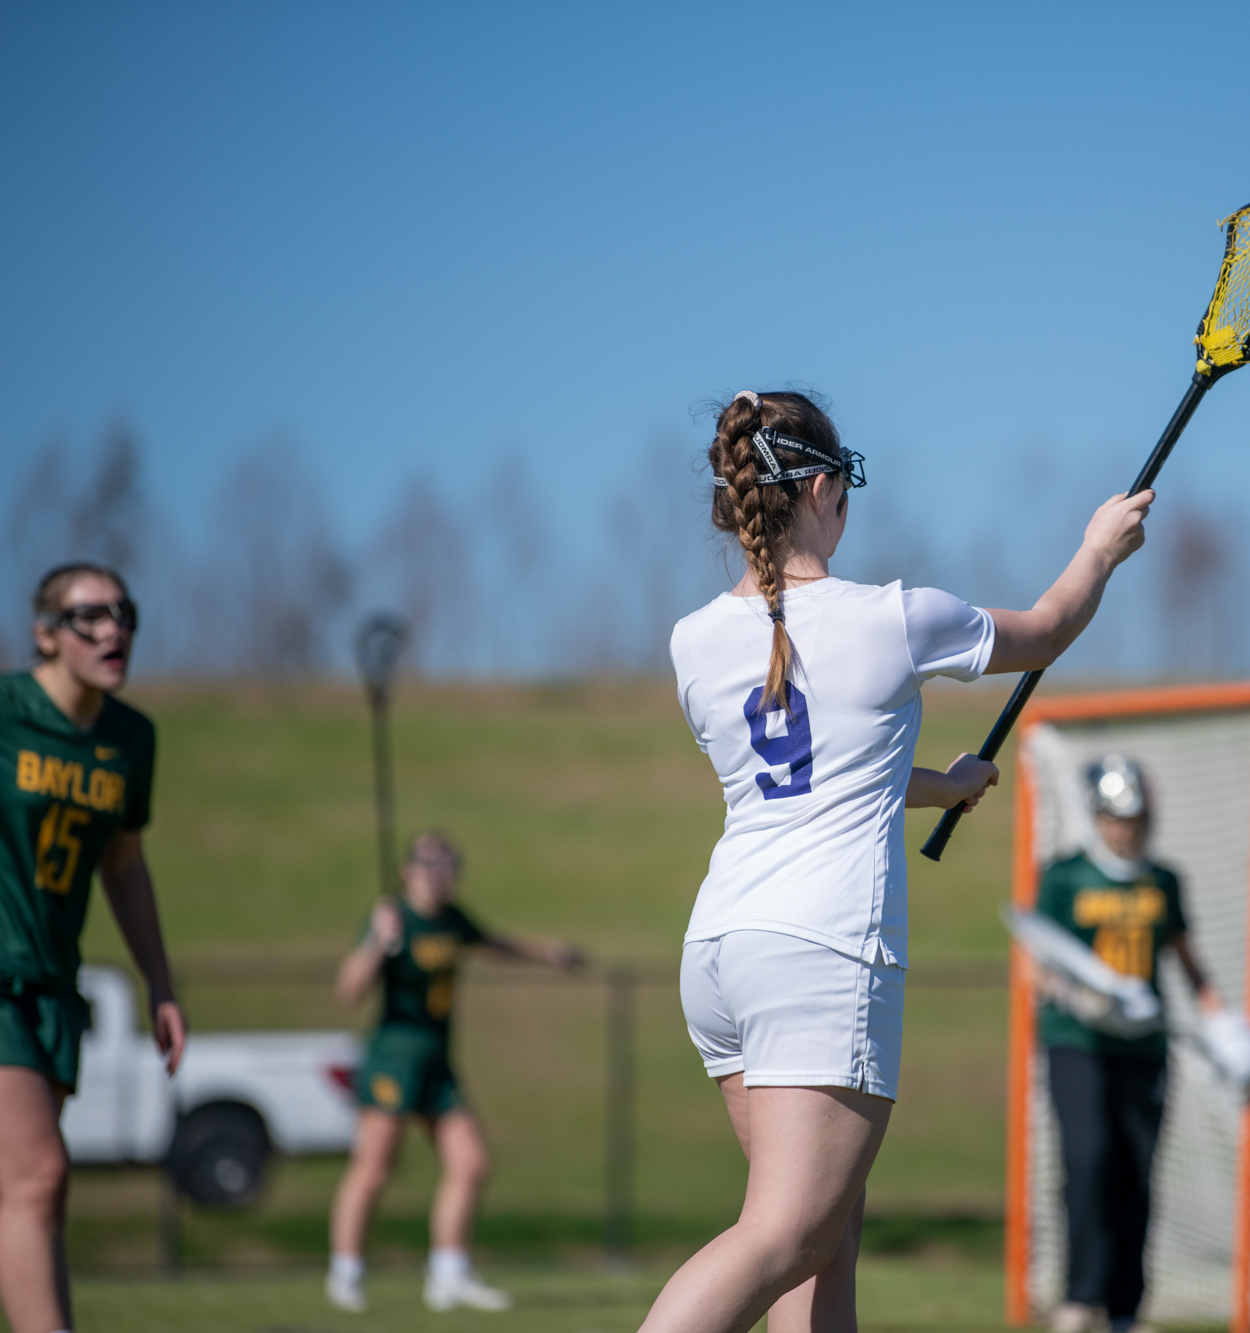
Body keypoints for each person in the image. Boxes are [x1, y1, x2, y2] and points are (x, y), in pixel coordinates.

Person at [647, 389, 1150, 1333]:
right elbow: (1048, 627)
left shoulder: (693, 642)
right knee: (786, 1233)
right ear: (826, 487)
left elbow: (805, 769)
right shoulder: (895, 616)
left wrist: (937, 786)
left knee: (823, 1237)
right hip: (821, 946)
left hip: (722, 947)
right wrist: (1099, 549)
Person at [1, 563, 185, 1333]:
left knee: (26, 1190)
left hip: (52, 984)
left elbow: (125, 867)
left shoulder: (129, 738)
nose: (114, 630)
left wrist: (161, 982)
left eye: (124, 613)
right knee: (39, 1176)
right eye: (89, 617)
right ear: (45, 634)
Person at [326, 830, 583, 1313]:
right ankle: (346, 1273)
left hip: (437, 1063)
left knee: (471, 1164)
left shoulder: (451, 919)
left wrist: (551, 954)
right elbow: (350, 989)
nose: (440, 874)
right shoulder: (392, 918)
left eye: (448, 865)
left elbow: (493, 942)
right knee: (375, 1169)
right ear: (408, 871)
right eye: (429, 864)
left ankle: (448, 1275)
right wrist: (378, 945)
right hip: (393, 1060)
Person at [1037, 756, 1220, 1333]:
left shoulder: (1161, 881)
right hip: (1079, 1041)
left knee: (1136, 1171)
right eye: (1118, 819)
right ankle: (1079, 1295)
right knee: (1088, 1159)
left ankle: (1125, 1308)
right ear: (1098, 817)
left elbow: (1188, 962)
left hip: (1144, 1048)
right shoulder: (1066, 875)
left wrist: (1223, 1023)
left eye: (1136, 819)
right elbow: (1039, 959)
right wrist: (1075, 995)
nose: (1127, 830)